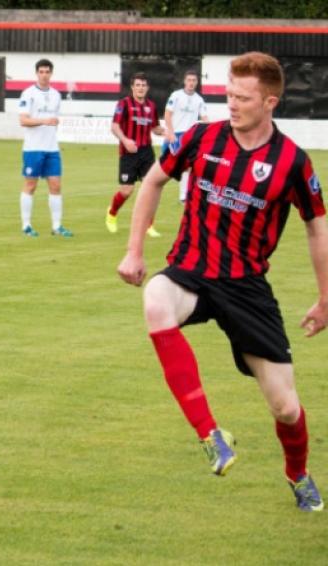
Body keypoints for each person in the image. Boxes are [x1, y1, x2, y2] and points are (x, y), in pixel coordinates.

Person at [117, 52, 325, 512]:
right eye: (228, 93)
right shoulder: (200, 137)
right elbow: (152, 183)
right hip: (192, 270)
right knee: (155, 298)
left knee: (286, 408)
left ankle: (298, 474)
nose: (231, 104)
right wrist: (134, 250)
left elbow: (316, 226)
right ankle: (211, 435)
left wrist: (326, 298)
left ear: (270, 101)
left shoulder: (292, 161)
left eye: (243, 97)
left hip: (247, 287)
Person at [18, 59, 72, 238]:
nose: (44, 75)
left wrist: (52, 123)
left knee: (56, 185)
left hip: (52, 148)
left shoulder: (56, 94)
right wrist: (44, 121)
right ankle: (26, 225)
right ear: (36, 73)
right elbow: (23, 120)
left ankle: (57, 226)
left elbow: (53, 120)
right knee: (30, 185)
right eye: (41, 71)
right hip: (33, 148)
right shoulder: (28, 93)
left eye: (47, 71)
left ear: (51, 73)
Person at [106, 72, 165, 237]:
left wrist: (167, 132)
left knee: (151, 189)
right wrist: (125, 141)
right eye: (137, 85)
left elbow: (154, 127)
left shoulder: (151, 106)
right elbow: (115, 126)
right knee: (127, 190)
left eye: (143, 85)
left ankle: (149, 225)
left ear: (147, 88)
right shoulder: (123, 104)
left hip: (146, 152)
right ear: (132, 87)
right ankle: (112, 213)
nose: (140, 88)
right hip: (128, 152)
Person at [162, 70, 209, 203]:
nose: (191, 83)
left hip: (190, 137)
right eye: (189, 80)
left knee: (188, 167)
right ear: (184, 81)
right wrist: (170, 132)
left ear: (197, 82)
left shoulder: (199, 100)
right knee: (166, 167)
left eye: (194, 80)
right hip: (175, 135)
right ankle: (153, 187)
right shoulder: (176, 96)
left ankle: (183, 196)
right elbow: (167, 114)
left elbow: (205, 118)